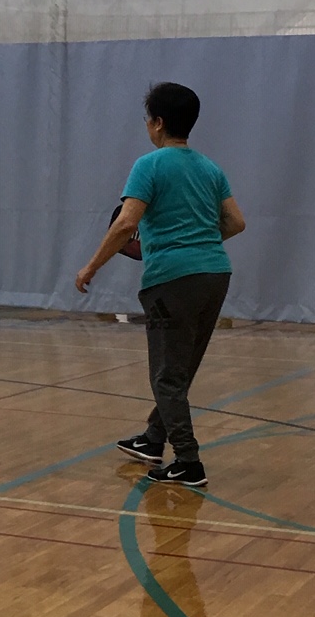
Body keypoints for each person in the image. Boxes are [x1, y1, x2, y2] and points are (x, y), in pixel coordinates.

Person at [75, 82, 246, 489]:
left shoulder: (149, 165)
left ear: (158, 123)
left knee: (166, 376)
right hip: (215, 275)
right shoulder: (210, 168)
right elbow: (236, 223)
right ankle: (153, 440)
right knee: (180, 368)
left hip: (172, 280)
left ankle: (188, 461)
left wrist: (90, 267)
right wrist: (199, 242)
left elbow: (127, 223)